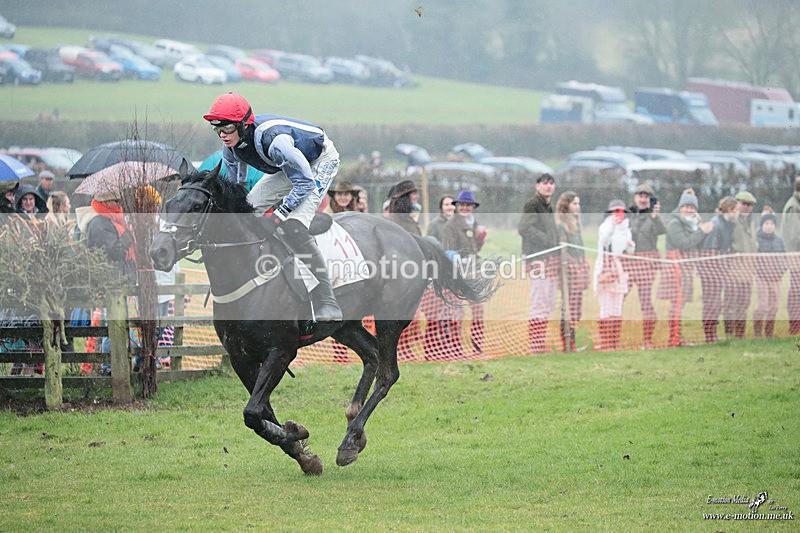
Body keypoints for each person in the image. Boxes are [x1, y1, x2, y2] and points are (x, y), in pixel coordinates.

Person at [203, 91, 342, 322]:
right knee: (245, 213)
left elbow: (305, 183)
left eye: (227, 128)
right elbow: (239, 193)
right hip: (289, 166)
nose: (222, 135)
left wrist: (278, 216)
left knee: (294, 226)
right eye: (217, 129)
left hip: (318, 163)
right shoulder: (231, 148)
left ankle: (327, 299)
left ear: (242, 125)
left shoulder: (275, 143)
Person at [76, 190, 137, 375]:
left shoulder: (109, 220)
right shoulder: (99, 223)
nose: (119, 203)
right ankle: (110, 367)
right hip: (110, 283)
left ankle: (113, 364)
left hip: (118, 280)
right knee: (113, 325)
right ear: (106, 201)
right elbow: (114, 252)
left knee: (116, 323)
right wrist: (128, 235)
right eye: (115, 199)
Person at [440, 190, 488, 357]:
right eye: (462, 205)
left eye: (469, 205)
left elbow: (473, 249)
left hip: (473, 273)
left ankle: (477, 346)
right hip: (456, 275)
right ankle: (455, 347)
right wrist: (461, 263)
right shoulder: (450, 226)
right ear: (457, 206)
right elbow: (448, 252)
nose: (465, 208)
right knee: (456, 312)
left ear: (473, 207)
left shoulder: (473, 223)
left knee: (478, 310)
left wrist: (480, 240)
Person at [663, 191, 713, 347]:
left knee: (680, 303)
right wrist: (701, 232)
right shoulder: (674, 223)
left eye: (692, 207)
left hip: (686, 269)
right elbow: (683, 243)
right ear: (680, 207)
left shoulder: (692, 224)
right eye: (686, 206)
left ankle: (677, 337)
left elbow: (697, 245)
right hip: (675, 270)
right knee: (676, 304)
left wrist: (701, 229)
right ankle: (674, 338)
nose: (689, 210)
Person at [518, 173, 559, 354]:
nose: (548, 186)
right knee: (539, 302)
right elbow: (524, 228)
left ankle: (539, 344)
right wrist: (548, 241)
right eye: (544, 183)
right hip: (537, 258)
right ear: (537, 186)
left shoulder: (549, 207)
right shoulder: (533, 204)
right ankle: (535, 346)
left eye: (551, 183)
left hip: (549, 258)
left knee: (548, 302)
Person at [625, 183, 665, 349]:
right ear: (635, 197)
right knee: (618, 298)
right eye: (640, 196)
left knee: (646, 302)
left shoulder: (654, 217)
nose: (642, 199)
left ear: (651, 200)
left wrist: (655, 216)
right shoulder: (627, 214)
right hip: (627, 264)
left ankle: (647, 340)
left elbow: (662, 231)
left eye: (646, 196)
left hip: (646, 267)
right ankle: (610, 339)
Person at [593, 199, 635, 351]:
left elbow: (626, 250)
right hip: (605, 267)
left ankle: (614, 342)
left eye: (621, 212)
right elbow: (603, 242)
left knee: (617, 307)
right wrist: (612, 227)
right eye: (615, 212)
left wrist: (631, 247)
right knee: (605, 307)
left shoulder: (626, 229)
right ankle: (605, 342)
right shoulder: (605, 226)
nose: (618, 215)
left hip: (619, 270)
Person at [698, 196, 737, 343]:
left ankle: (712, 334)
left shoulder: (728, 224)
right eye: (736, 210)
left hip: (719, 271)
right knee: (711, 303)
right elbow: (711, 251)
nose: (738, 213)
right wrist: (719, 270)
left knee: (716, 303)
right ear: (730, 210)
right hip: (709, 272)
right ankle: (709, 335)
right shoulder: (716, 224)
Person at [555, 191, 589, 351]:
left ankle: (572, 341)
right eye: (574, 203)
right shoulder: (561, 224)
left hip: (579, 268)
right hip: (568, 271)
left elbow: (579, 247)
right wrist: (573, 263)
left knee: (577, 306)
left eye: (579, 203)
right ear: (566, 205)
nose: (578, 206)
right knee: (568, 306)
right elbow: (563, 249)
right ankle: (567, 342)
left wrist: (583, 262)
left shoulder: (577, 223)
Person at [725, 191, 758, 338]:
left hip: (748, 271)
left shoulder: (751, 222)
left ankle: (740, 333)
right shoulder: (731, 221)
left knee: (744, 304)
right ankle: (729, 333)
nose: (746, 207)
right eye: (743, 204)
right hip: (733, 271)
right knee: (731, 303)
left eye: (749, 205)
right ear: (737, 204)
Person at [753, 209, 788, 338]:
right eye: (766, 223)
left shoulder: (779, 241)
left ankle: (769, 333)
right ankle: (757, 332)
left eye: (772, 224)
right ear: (762, 225)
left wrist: (781, 271)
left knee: (774, 306)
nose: (769, 226)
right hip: (762, 277)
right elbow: (754, 259)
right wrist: (760, 271)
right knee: (763, 306)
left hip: (776, 278)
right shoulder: (756, 239)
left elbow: (785, 258)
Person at [781, 175, 800, 334]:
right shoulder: (794, 207)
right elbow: (795, 236)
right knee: (796, 293)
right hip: (796, 258)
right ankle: (794, 326)